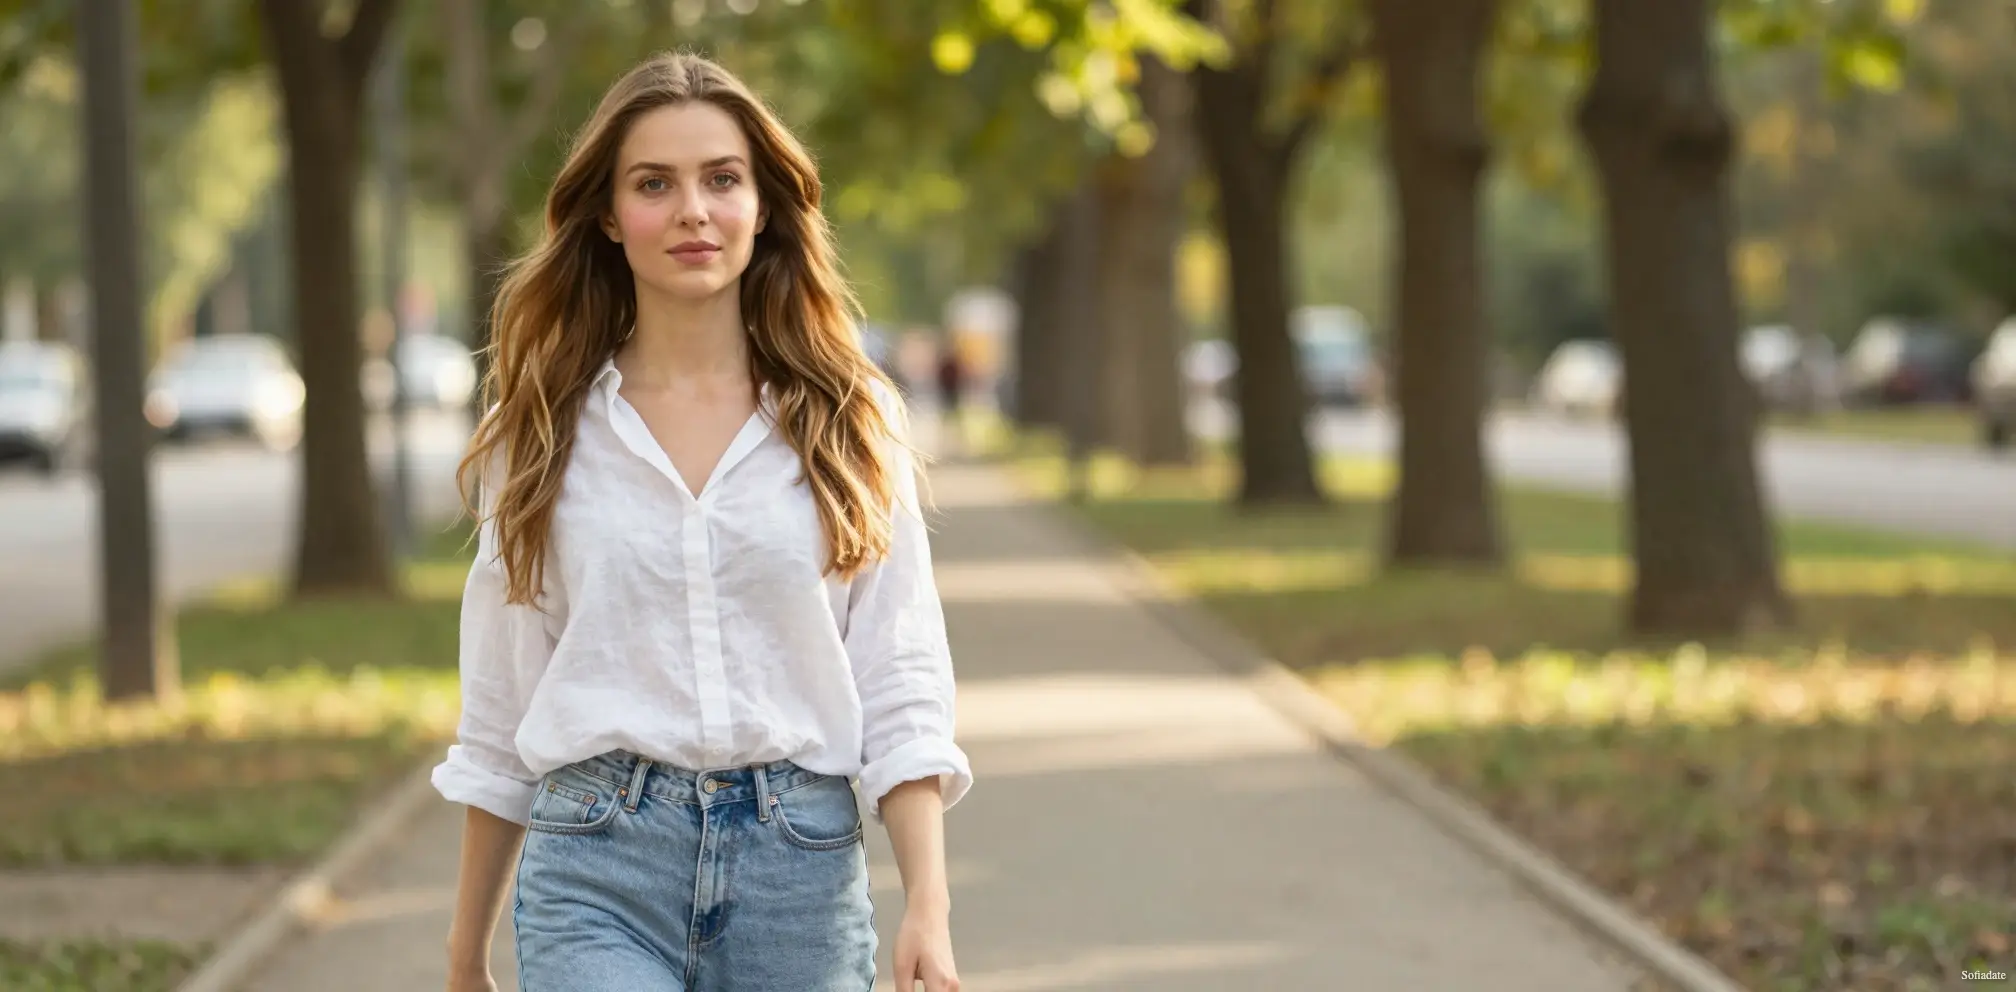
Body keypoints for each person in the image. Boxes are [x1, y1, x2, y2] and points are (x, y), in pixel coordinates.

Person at [432, 52, 972, 992]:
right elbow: (500, 709)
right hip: (595, 866)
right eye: (655, 184)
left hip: (798, 870)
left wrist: (929, 899)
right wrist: (465, 953)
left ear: (763, 206)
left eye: (722, 179)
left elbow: (901, 679)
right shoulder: (541, 431)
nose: (693, 210)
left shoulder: (850, 420)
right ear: (608, 215)